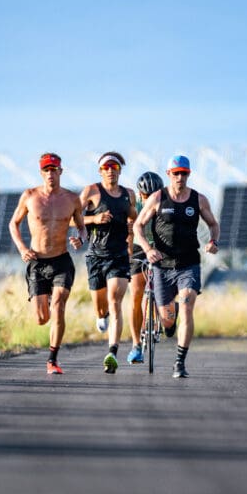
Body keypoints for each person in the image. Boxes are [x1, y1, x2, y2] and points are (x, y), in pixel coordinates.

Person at [133, 155, 220, 378]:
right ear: (169, 174)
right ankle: (170, 323)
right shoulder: (157, 198)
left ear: (188, 174)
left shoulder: (198, 200)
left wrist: (213, 241)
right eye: (176, 173)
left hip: (188, 264)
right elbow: (138, 226)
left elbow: (213, 224)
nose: (180, 177)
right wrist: (147, 248)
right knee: (167, 320)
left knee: (188, 303)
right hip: (162, 266)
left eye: (184, 173)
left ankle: (179, 362)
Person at [8, 153, 88, 375]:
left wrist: (80, 238)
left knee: (59, 305)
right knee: (42, 318)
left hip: (62, 260)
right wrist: (23, 249)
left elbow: (82, 226)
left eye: (54, 169)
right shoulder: (30, 196)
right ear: (41, 173)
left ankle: (52, 360)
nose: (51, 174)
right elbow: (13, 224)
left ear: (61, 171)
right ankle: (47, 302)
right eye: (46, 170)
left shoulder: (72, 199)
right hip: (37, 262)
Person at [79, 152, 138, 374]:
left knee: (115, 301)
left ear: (120, 170)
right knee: (101, 307)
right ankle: (99, 315)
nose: (110, 170)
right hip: (95, 256)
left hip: (119, 256)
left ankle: (112, 352)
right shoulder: (91, 191)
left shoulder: (128, 194)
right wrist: (94, 219)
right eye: (106, 167)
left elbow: (133, 218)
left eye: (114, 167)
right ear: (100, 171)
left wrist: (132, 237)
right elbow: (73, 216)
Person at [126, 171, 176, 364]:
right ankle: (136, 345)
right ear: (140, 195)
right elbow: (128, 230)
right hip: (140, 249)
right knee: (136, 294)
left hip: (162, 248)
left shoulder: (167, 204)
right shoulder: (134, 206)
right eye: (145, 196)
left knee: (167, 287)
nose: (149, 199)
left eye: (154, 194)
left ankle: (170, 311)